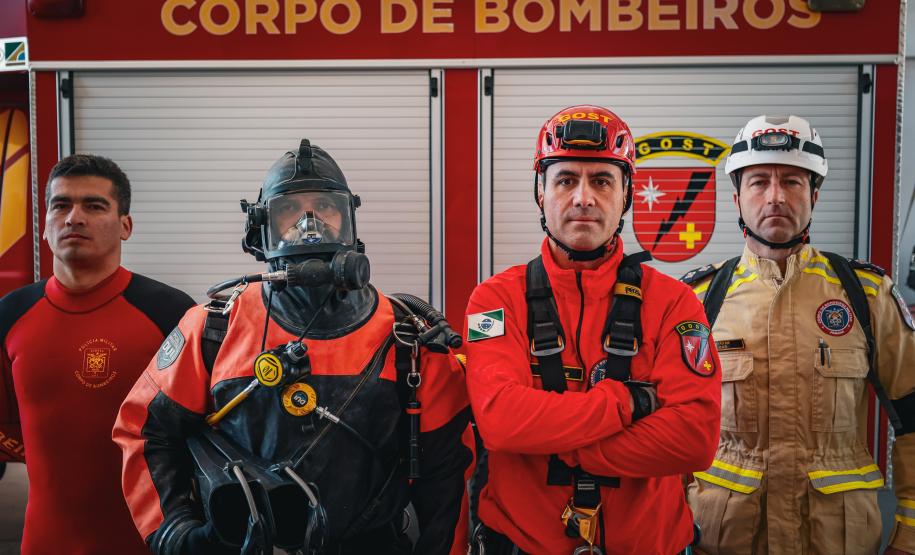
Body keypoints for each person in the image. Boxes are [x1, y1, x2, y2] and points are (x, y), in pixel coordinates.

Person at [113, 140, 474, 555]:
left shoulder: (408, 337)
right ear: (260, 229)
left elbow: (447, 471)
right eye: (290, 210)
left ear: (349, 221)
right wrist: (176, 531)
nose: (309, 223)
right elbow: (144, 430)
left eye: (325, 207)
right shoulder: (213, 328)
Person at [464, 105, 722, 555]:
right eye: (565, 180)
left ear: (627, 196)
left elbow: (694, 438)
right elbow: (501, 422)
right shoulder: (492, 302)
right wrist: (625, 402)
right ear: (540, 193)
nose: (583, 197)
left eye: (602, 180)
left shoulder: (674, 303)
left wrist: (567, 447)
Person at [682, 115, 915, 554]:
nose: (775, 197)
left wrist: (910, 532)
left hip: (837, 539)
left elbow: (913, 417)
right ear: (736, 198)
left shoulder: (865, 296)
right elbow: (670, 428)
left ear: (814, 195)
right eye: (758, 182)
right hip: (725, 539)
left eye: (791, 181)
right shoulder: (697, 300)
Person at [0, 154, 195, 554]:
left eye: (94, 205)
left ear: (126, 226)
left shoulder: (173, 314)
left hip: (151, 544)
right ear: (44, 228)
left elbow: (201, 429)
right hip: (44, 543)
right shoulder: (9, 316)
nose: (74, 217)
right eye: (61, 205)